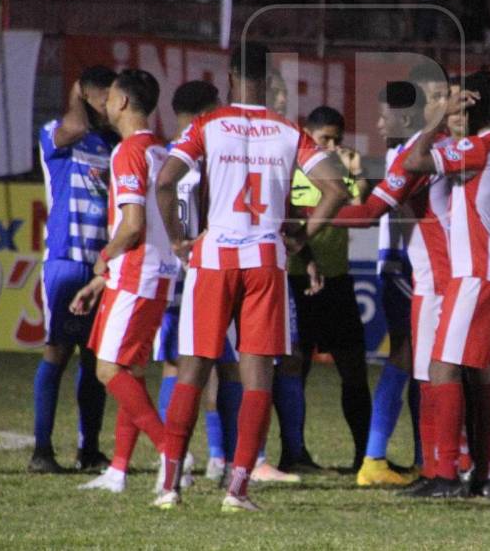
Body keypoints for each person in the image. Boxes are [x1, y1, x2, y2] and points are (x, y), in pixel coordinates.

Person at [154, 42, 348, 512]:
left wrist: (181, 238)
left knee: (193, 367)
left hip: (215, 252)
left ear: (231, 78)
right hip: (264, 254)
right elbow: (336, 187)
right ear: (270, 80)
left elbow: (164, 182)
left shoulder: (207, 125)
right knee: (258, 374)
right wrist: (304, 233)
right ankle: (237, 490)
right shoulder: (288, 130)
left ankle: (169, 486)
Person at [401, 70, 490, 499]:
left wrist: (436, 120)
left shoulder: (479, 148)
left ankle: (446, 474)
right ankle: (485, 474)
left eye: (459, 103)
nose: (453, 110)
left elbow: (414, 161)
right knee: (483, 375)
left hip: (475, 274)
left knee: (442, 368)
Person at [329, 65, 453, 488]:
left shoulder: (419, 151)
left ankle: (422, 457)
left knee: (421, 360)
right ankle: (382, 457)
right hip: (406, 268)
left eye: (384, 116)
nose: (378, 124)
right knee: (413, 358)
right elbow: (372, 211)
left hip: (405, 265)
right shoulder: (412, 155)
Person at [69, 69, 176, 493]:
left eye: (110, 96)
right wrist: (103, 281)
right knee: (129, 369)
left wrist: (103, 260)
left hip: (136, 271)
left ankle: (172, 450)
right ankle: (118, 469)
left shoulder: (129, 152)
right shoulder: (162, 153)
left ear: (124, 103)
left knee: (108, 369)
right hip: (153, 273)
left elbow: (131, 226)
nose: (105, 103)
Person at [150, 81, 241, 485]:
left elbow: (165, 198)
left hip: (173, 272)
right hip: (209, 268)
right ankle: (223, 458)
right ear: (213, 108)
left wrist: (175, 243)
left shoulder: (169, 152)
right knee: (225, 366)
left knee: (177, 365)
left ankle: (177, 460)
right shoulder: (209, 152)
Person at [30, 65, 117, 474]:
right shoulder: (56, 133)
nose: (111, 107)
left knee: (95, 359)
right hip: (66, 261)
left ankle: (90, 449)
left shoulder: (114, 144)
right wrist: (79, 94)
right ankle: (42, 451)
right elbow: (72, 127)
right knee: (57, 353)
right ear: (84, 96)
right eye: (104, 99)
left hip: (104, 266)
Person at [280, 106, 374, 478]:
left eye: (337, 138)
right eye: (324, 139)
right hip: (297, 279)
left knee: (354, 371)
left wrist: (358, 173)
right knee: (294, 370)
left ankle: (364, 456)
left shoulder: (345, 171)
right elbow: (287, 220)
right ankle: (294, 452)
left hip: (337, 281)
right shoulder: (291, 168)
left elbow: (362, 211)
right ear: (307, 135)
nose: (332, 146)